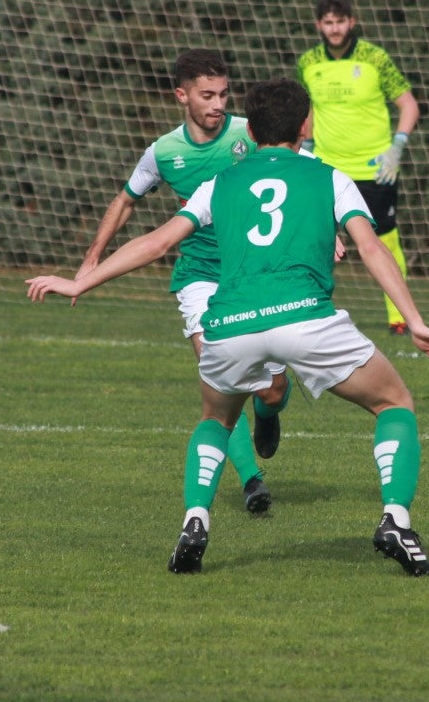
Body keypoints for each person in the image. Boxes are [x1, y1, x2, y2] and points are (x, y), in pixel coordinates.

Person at [29, 78, 429, 576]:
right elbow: (373, 249)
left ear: (250, 130)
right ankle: (395, 519)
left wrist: (81, 283)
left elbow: (157, 243)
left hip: (229, 325)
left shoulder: (219, 183)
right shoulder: (329, 177)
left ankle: (195, 520)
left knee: (216, 420)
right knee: (394, 402)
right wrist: (414, 319)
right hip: (306, 319)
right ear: (305, 126)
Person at [75, 49, 290, 512]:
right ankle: (252, 481)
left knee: (271, 389)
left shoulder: (247, 135)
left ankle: (269, 413)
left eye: (224, 94)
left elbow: (298, 172)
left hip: (255, 273)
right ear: (182, 96)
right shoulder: (163, 152)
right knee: (222, 381)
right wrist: (92, 259)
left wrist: (328, 227)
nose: (218, 104)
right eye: (207, 95)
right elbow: (126, 200)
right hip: (199, 278)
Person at [297, 0, 420, 335]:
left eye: (340, 21)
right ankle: (313, 310)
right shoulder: (308, 62)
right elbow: (306, 110)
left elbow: (408, 105)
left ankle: (399, 318)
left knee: (384, 242)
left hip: (374, 169)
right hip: (327, 167)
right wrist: (305, 147)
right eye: (328, 22)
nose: (334, 28)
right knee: (318, 240)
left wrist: (397, 146)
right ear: (318, 25)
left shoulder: (375, 58)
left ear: (351, 22)